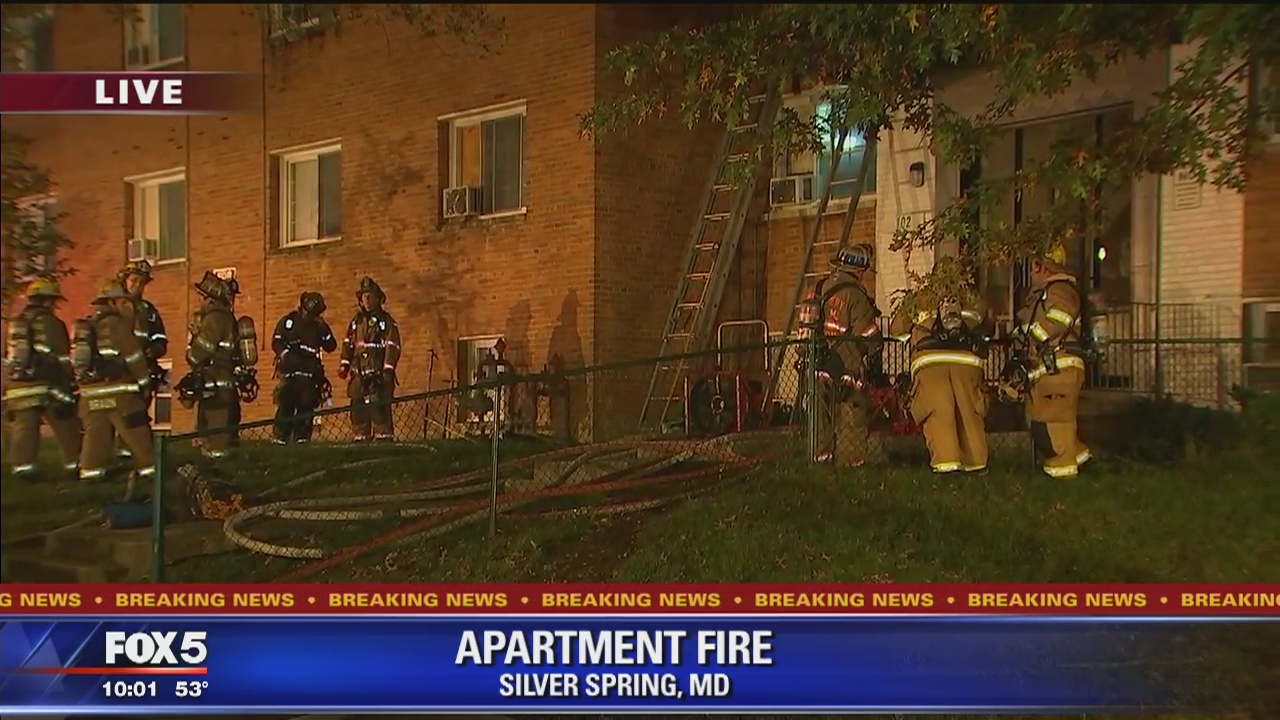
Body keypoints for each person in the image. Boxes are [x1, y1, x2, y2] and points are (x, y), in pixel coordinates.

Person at [889, 257, 990, 474]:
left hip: (931, 369)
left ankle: (947, 469)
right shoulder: (972, 298)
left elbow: (897, 330)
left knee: (939, 416)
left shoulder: (921, 298)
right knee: (969, 417)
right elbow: (988, 325)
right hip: (967, 368)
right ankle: (976, 467)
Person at [1014, 244, 1092, 479]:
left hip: (1061, 366)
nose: (1030, 274)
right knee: (1053, 421)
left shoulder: (1059, 290)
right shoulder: (1050, 291)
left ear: (1042, 267)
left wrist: (1035, 334)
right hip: (1052, 368)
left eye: (1033, 267)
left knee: (1053, 423)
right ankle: (1081, 462)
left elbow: (1060, 317)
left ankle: (1062, 478)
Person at [805, 244, 883, 466]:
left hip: (816, 361)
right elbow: (868, 335)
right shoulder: (856, 296)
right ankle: (854, 460)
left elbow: (804, 325)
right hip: (847, 364)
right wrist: (876, 353)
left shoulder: (816, 288)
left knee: (820, 410)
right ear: (859, 271)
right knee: (854, 409)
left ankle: (821, 457)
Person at [74, 280, 156, 486]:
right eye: (122, 301)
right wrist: (144, 384)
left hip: (91, 394)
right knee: (138, 434)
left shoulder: (87, 326)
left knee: (95, 437)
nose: (125, 305)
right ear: (112, 302)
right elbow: (134, 357)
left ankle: (90, 476)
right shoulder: (118, 324)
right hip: (120, 394)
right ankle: (151, 474)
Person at [2, 278, 82, 481]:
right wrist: (70, 383)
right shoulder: (52, 323)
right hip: (47, 385)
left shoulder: (15, 324)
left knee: (24, 428)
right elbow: (62, 358)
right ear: (48, 301)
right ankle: (75, 464)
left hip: (18, 386)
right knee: (66, 423)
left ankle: (23, 469)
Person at [113, 259, 167, 459]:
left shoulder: (149, 311)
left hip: (143, 370)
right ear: (124, 280)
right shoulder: (113, 307)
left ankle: (133, 454)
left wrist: (154, 350)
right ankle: (117, 454)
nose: (137, 285)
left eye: (142, 282)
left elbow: (161, 338)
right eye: (134, 280)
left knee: (138, 415)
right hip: (118, 371)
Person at [184, 271, 241, 458]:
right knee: (211, 425)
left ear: (209, 299)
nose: (199, 300)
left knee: (216, 429)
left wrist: (191, 355)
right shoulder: (223, 317)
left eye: (201, 296)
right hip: (218, 380)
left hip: (216, 381)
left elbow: (202, 350)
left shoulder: (215, 318)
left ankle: (218, 465)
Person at [338, 277, 401, 442]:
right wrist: (344, 364)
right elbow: (348, 343)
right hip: (359, 374)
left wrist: (388, 370)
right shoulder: (356, 322)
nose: (366, 299)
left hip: (378, 374)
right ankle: (360, 437)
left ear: (378, 298)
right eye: (364, 296)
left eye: (370, 295)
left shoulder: (386, 322)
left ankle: (383, 437)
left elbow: (393, 345)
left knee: (379, 407)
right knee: (358, 408)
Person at [271, 291, 337, 444]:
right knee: (286, 404)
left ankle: (302, 437)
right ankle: (281, 436)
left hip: (309, 374)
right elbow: (277, 341)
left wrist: (324, 329)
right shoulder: (290, 322)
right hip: (290, 373)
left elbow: (331, 346)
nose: (310, 317)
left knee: (306, 406)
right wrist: (287, 357)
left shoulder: (318, 326)